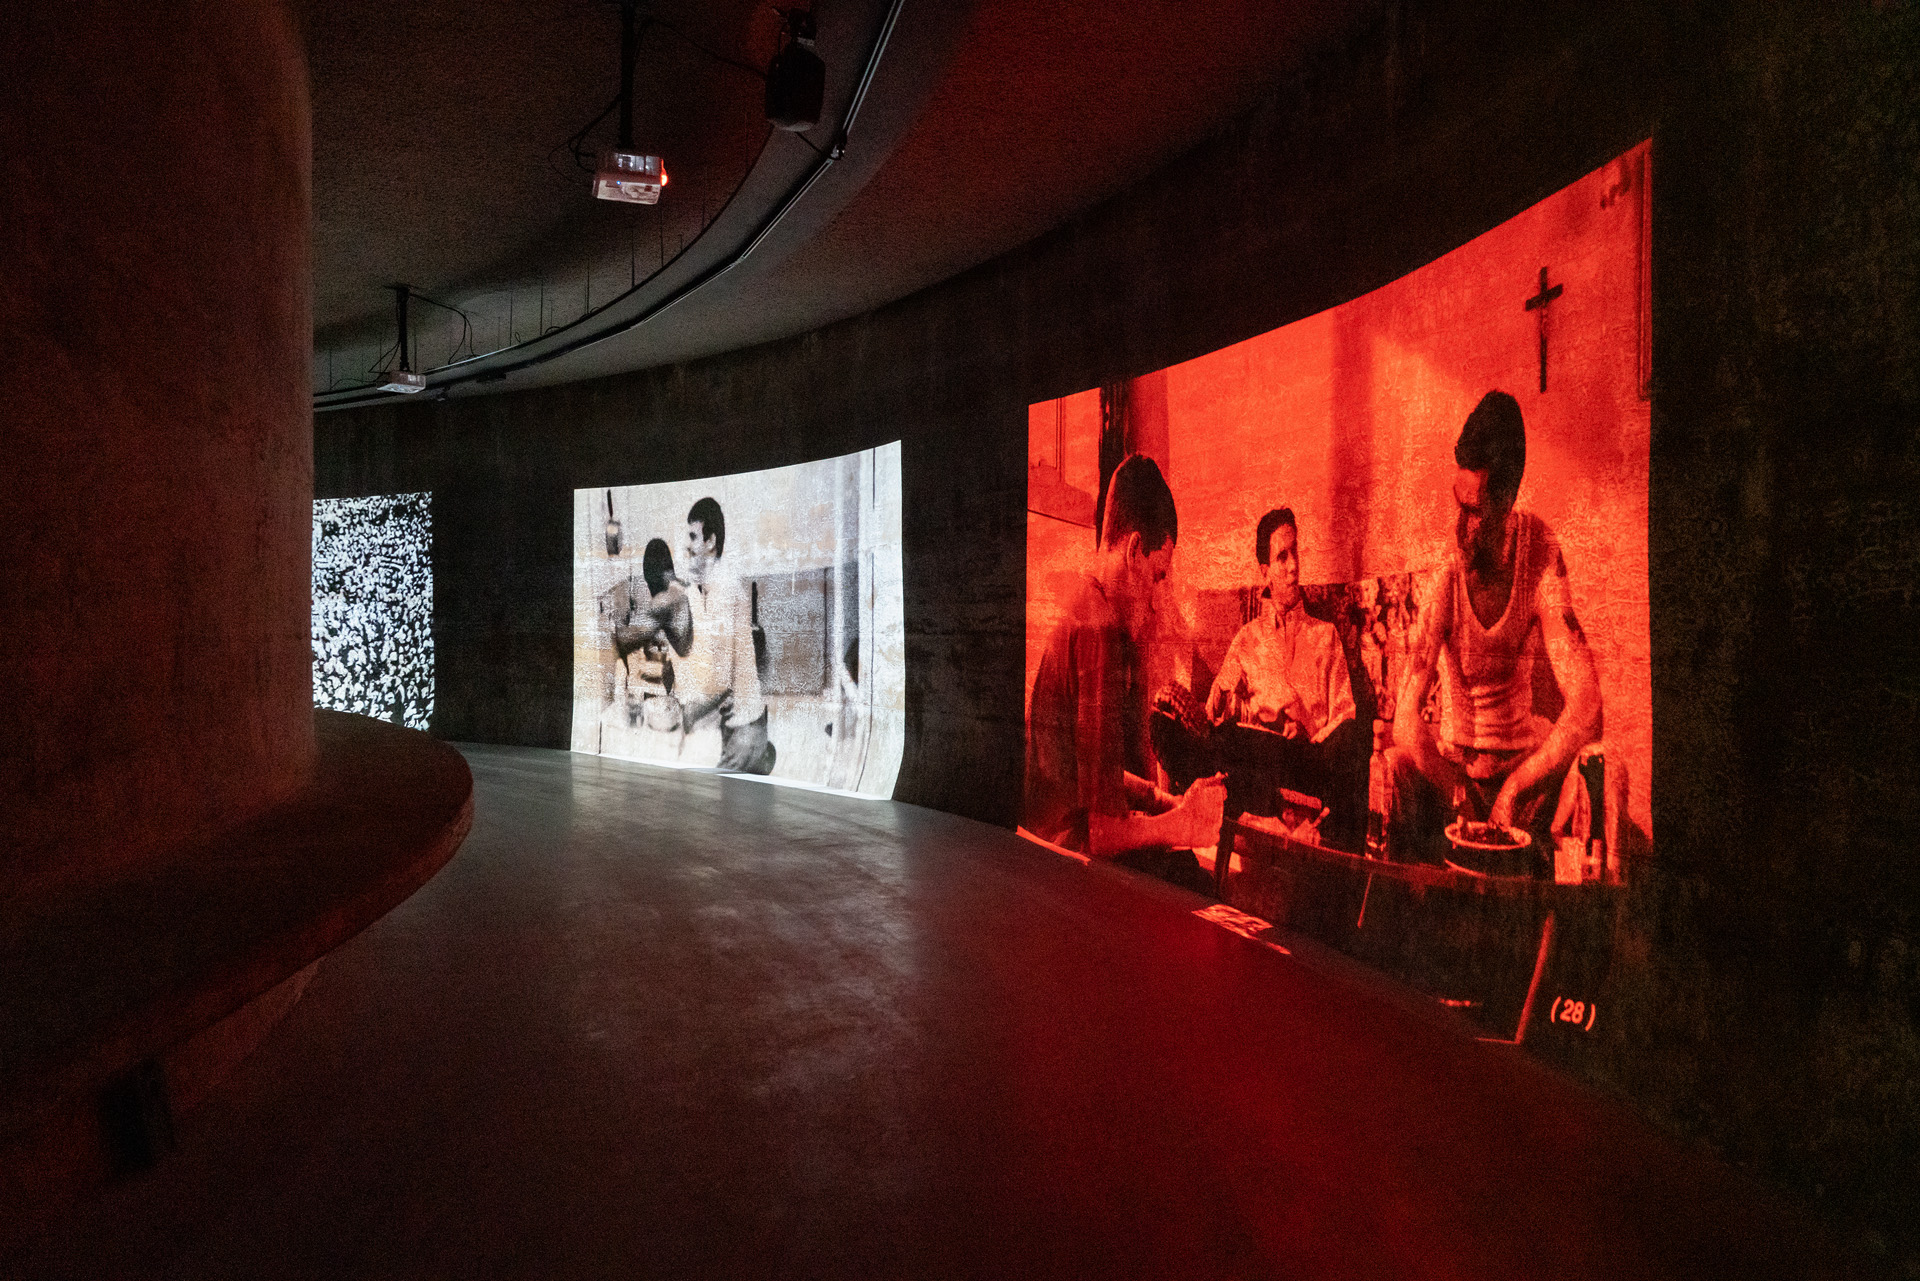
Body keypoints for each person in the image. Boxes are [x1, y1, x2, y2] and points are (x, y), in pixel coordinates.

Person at [1386, 390, 1602, 862]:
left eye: (1475, 512)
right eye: (1458, 506)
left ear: (1507, 502)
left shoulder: (1539, 550)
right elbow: (1405, 719)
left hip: (1520, 777)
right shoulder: (1446, 571)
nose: (1461, 529)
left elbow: (1586, 701)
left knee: (1591, 771)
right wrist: (1455, 789)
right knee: (1397, 764)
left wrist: (1518, 785)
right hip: (1457, 774)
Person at [1024, 454, 1227, 891]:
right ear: (1135, 550)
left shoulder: (1082, 606)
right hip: (1063, 866)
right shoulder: (1100, 632)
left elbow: (1090, 776)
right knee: (1196, 881)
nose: (1154, 601)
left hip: (1045, 847)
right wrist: (1184, 825)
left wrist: (1163, 801)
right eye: (1157, 576)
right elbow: (1099, 835)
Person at [1154, 508, 1364, 849]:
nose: (1294, 566)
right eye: (1282, 557)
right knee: (1209, 733)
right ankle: (1262, 819)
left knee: (1347, 739)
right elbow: (1214, 713)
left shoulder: (1325, 635)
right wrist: (1235, 713)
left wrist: (1307, 726)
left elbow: (1345, 719)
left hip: (1311, 760)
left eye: (1295, 553)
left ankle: (1279, 823)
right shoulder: (1246, 640)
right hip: (1258, 762)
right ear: (1265, 572)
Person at [678, 496, 776, 774]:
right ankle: (762, 755)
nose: (688, 544)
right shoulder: (711, 586)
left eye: (693, 536)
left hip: (744, 732)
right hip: (740, 726)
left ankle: (760, 753)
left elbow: (720, 680)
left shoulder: (722, 589)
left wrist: (690, 713)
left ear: (710, 541)